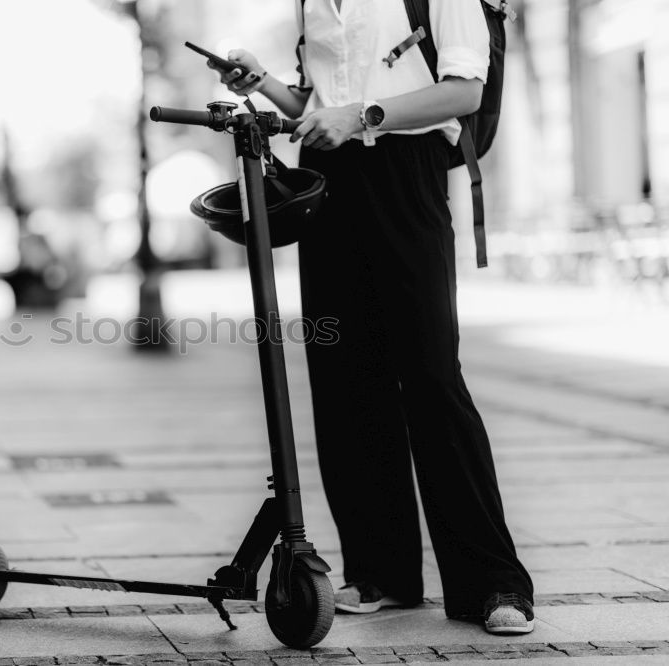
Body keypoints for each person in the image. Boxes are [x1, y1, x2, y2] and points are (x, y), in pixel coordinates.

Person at [208, 0, 535, 635]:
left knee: (433, 379)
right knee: (345, 380)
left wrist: (362, 116)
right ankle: (382, 572)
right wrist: (266, 85)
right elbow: (319, 106)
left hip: (406, 174)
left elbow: (466, 91)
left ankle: (494, 582)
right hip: (330, 181)